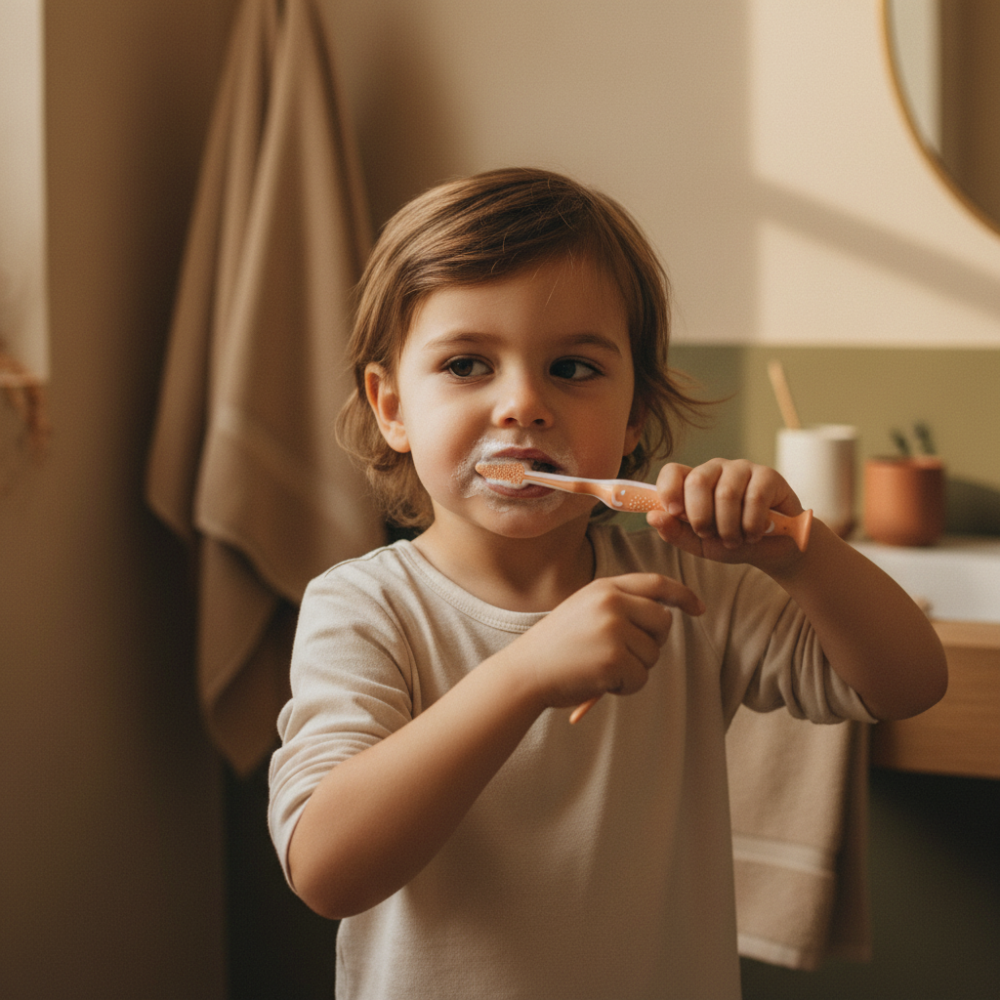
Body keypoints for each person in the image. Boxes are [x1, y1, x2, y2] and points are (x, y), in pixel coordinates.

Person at [268, 167, 946, 999]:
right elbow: (327, 871)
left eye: (573, 368)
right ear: (391, 407)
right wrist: (523, 675)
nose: (522, 404)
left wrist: (801, 552)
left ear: (633, 418)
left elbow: (910, 683)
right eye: (468, 364)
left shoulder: (695, 585)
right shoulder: (365, 610)